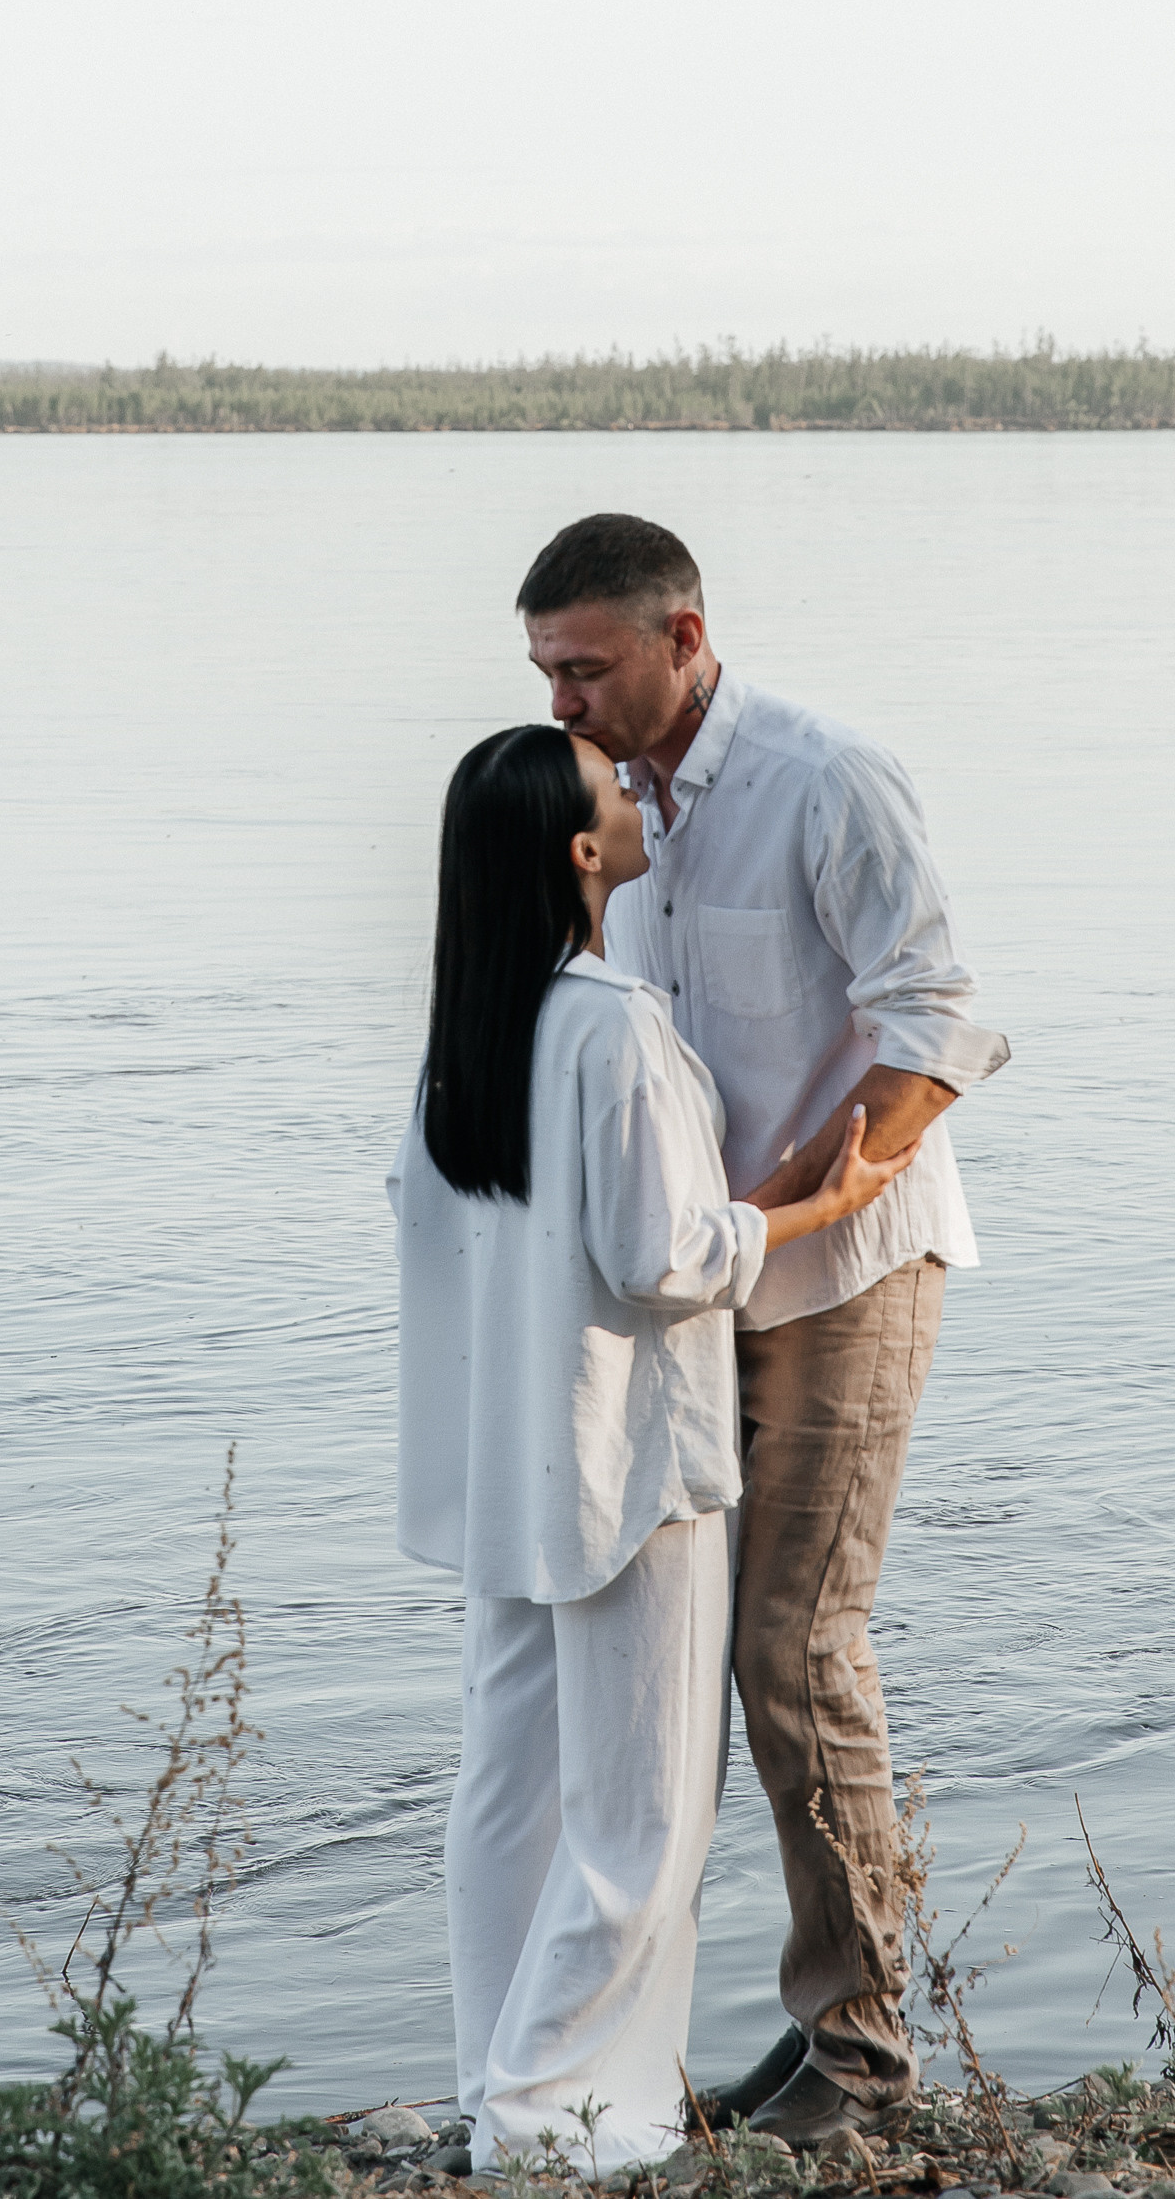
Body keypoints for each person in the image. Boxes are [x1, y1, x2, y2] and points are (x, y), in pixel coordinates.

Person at [515, 514, 1010, 2152]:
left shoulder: (824, 776)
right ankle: (726, 2029)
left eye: (585, 668)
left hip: (841, 1273)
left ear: (684, 635)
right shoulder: (606, 819)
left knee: (797, 1650)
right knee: (670, 1663)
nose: (561, 701)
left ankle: (862, 2059)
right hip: (692, 1290)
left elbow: (937, 1024)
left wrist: (796, 1200)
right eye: (543, 674)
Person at [390, 722, 924, 2181]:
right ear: (581, 855)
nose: (634, 794)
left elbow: (444, 1230)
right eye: (608, 792)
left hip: (504, 1462)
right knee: (638, 1819)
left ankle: (501, 2076)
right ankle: (551, 2119)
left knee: (507, 1793)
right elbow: (669, 1260)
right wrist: (828, 1196)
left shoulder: (472, 1020)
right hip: (626, 1468)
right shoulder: (611, 1023)